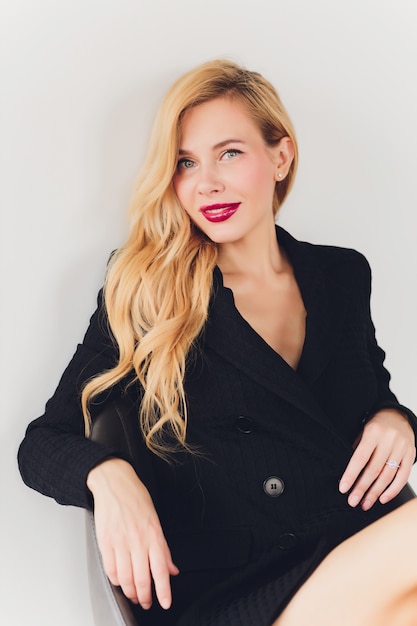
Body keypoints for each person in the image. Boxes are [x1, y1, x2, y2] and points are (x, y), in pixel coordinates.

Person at [18, 59, 417, 626]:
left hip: (352, 551)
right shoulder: (150, 288)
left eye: (230, 153)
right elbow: (42, 442)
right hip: (237, 593)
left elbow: (367, 392)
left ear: (281, 157)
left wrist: (397, 420)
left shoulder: (342, 276)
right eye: (185, 162)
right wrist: (109, 476)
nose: (207, 182)